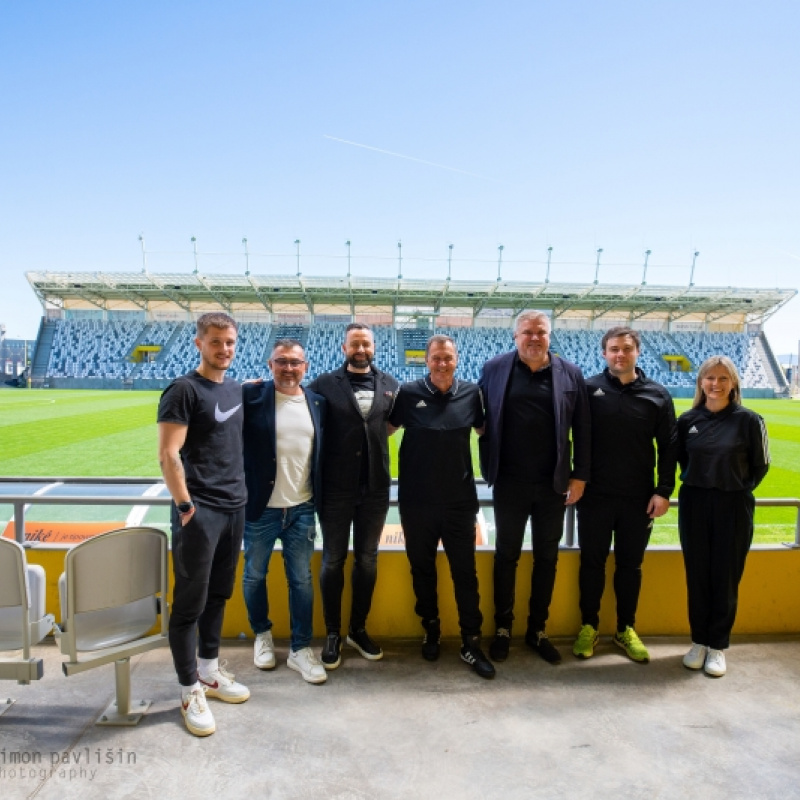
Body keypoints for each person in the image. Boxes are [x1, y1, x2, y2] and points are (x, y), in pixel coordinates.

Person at [479, 310, 590, 665]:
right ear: (515, 337)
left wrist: (580, 476)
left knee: (547, 558)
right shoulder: (495, 368)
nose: (534, 338)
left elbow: (584, 429)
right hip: (509, 482)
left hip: (551, 485)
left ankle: (537, 630)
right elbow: (479, 416)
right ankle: (502, 629)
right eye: (527, 332)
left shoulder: (569, 372)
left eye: (540, 332)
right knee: (506, 557)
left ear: (549, 336)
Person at [157, 312, 250, 738]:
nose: (224, 349)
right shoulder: (182, 390)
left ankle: (210, 672)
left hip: (235, 508)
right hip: (200, 512)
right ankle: (187, 687)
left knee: (219, 595)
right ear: (199, 343)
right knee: (190, 604)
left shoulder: (233, 387)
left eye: (230, 342)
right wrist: (185, 505)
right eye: (216, 342)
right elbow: (168, 454)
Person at [388, 334, 495, 679]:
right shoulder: (408, 393)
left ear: (456, 359)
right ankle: (431, 629)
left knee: (465, 573)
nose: (442, 363)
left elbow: (487, 431)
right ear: (426, 360)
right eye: (436, 357)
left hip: (460, 503)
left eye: (447, 357)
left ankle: (470, 642)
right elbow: (381, 430)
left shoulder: (471, 393)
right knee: (423, 570)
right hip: (416, 502)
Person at [573, 327, 677, 663]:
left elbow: (669, 448)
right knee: (592, 563)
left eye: (627, 349)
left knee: (630, 566)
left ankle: (625, 628)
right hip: (595, 497)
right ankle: (589, 626)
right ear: (604, 353)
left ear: (637, 352)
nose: (620, 354)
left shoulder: (658, 394)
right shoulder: (588, 389)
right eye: (614, 349)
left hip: (638, 499)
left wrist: (663, 491)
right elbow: (570, 437)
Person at [307, 323, 399, 669]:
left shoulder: (391, 385)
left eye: (366, 344)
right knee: (332, 559)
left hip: (375, 488)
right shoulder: (323, 385)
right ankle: (332, 633)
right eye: (354, 344)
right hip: (335, 488)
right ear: (343, 346)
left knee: (368, 559)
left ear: (374, 347)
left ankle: (357, 629)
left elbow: (389, 425)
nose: (361, 350)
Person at [241, 339, 328, 684]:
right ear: (269, 364)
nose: (289, 368)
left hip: (302, 508)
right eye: (282, 362)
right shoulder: (250, 397)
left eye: (295, 362)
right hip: (260, 508)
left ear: (305, 366)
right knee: (254, 575)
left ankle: (300, 648)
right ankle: (262, 635)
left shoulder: (317, 403)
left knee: (302, 580)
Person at [677, 355, 769, 677]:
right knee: (698, 574)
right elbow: (679, 461)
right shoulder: (687, 420)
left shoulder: (749, 420)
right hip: (694, 504)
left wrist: (734, 488)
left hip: (733, 506)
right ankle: (698, 642)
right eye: (710, 378)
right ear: (701, 382)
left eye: (723, 379)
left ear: (733, 384)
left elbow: (760, 466)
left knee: (726, 576)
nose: (715, 384)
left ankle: (718, 646)